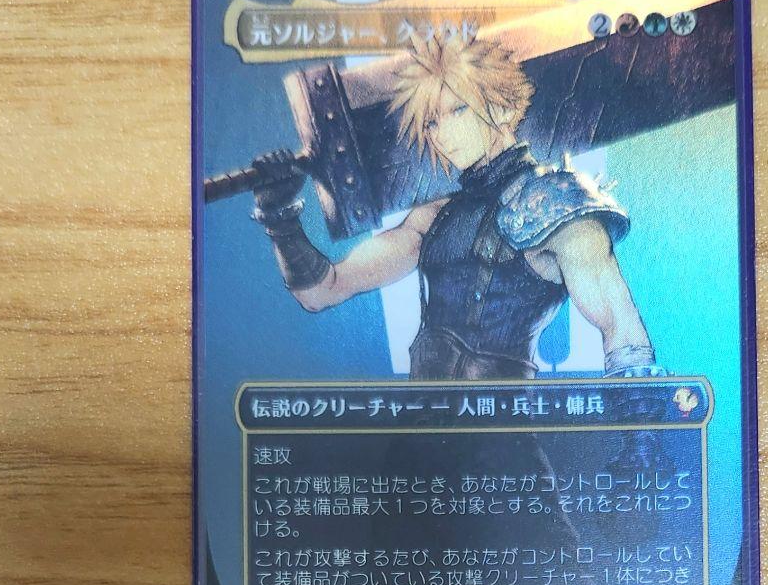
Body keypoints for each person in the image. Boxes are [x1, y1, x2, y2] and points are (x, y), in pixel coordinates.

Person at [251, 32, 658, 382]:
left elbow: (625, 339)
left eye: (458, 110)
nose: (442, 133)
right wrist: (279, 218)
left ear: (503, 107)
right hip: (422, 435)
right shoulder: (434, 217)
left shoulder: (558, 207)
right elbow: (322, 290)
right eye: (431, 122)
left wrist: (640, 436)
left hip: (504, 437)